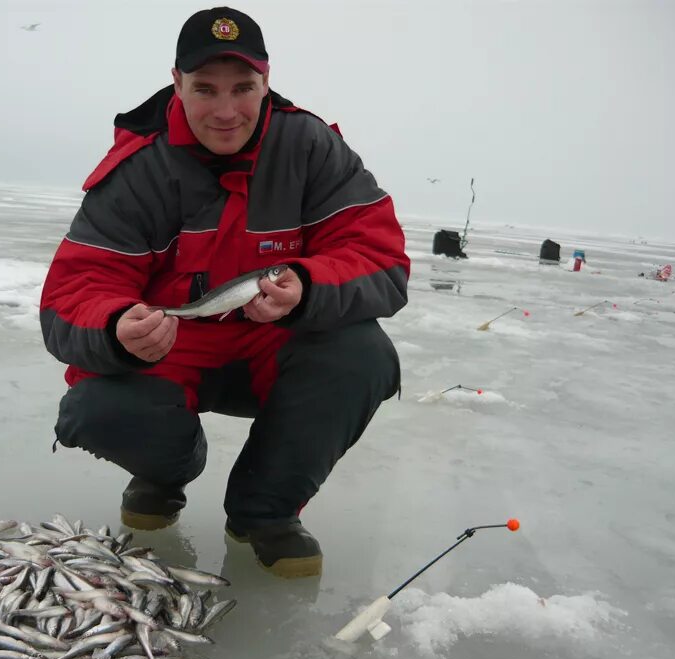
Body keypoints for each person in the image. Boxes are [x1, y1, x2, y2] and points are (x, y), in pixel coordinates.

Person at [40, 6, 409, 578]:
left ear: (266, 80)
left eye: (244, 87)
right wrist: (116, 328)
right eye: (205, 88)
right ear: (176, 82)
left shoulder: (310, 148)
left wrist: (308, 287)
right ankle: (166, 471)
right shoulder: (139, 167)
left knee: (360, 356)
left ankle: (265, 512)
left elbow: (380, 261)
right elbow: (74, 292)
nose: (226, 110)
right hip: (172, 344)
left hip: (275, 340)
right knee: (98, 407)